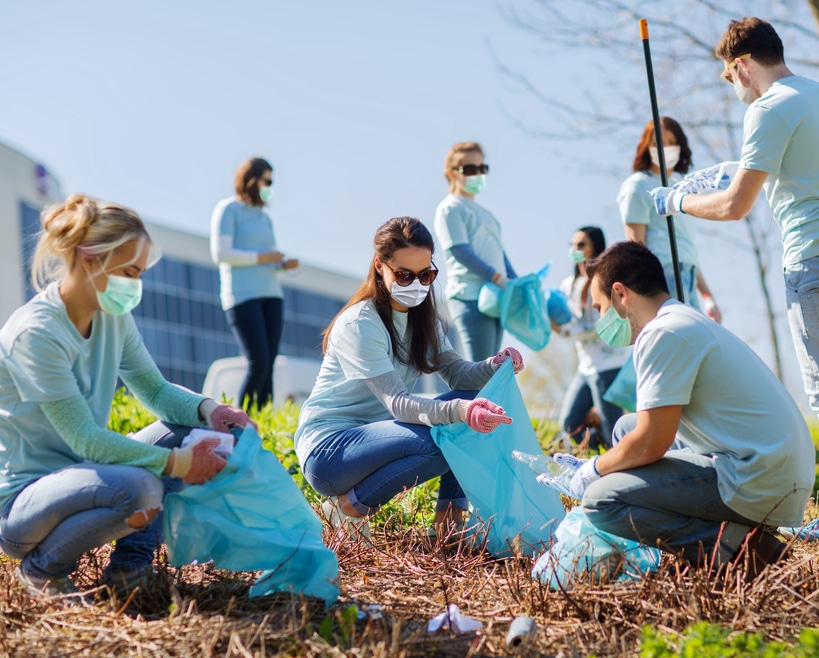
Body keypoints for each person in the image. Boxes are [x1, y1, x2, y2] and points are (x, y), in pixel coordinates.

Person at [651, 17, 819, 541]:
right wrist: (733, 165)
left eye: (728, 78)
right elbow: (802, 163)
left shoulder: (766, 108)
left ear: (741, 66)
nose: (732, 89)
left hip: (816, 261)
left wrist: (678, 201)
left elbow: (735, 208)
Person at [0, 195, 255, 601]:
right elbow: (84, 438)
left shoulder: (113, 315)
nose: (134, 286)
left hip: (88, 473)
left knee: (194, 431)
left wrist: (212, 410)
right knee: (141, 488)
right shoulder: (36, 332)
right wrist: (180, 463)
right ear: (88, 258)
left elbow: (153, 390)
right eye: (128, 272)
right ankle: (42, 571)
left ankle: (128, 573)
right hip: (25, 502)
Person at [546, 241, 814, 577]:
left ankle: (742, 549)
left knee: (602, 500)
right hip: (773, 467)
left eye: (599, 308)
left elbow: (651, 443)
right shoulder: (682, 320)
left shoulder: (663, 334)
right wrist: (606, 464)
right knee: (625, 429)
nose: (600, 320)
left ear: (620, 294)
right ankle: (730, 534)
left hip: (759, 478)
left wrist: (593, 470)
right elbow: (644, 433)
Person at [294, 216, 523, 539]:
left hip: (379, 440)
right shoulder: (361, 323)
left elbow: (458, 374)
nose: (416, 284)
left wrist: (493, 365)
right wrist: (458, 413)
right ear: (379, 266)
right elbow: (399, 404)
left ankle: (448, 524)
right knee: (445, 437)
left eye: (426, 274)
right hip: (330, 453)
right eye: (403, 275)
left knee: (471, 405)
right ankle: (348, 507)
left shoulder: (423, 321)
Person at [210, 157, 299, 410]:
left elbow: (268, 257)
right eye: (267, 181)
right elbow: (221, 254)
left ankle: (263, 422)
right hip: (242, 296)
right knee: (258, 362)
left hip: (271, 294)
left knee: (268, 363)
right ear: (252, 180)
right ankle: (242, 422)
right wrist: (263, 257)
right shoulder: (228, 210)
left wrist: (281, 263)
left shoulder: (264, 218)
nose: (270, 186)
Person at [617, 118, 721, 321]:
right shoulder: (638, 186)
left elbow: (686, 248)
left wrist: (707, 295)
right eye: (657, 143)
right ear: (646, 147)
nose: (666, 148)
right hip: (663, 275)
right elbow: (636, 248)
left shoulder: (683, 188)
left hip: (687, 274)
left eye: (672, 142)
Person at [434, 142, 518, 361]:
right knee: (480, 371)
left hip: (496, 297)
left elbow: (500, 254)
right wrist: (496, 276)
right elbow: (459, 250)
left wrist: (516, 282)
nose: (478, 174)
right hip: (469, 296)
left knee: (492, 370)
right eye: (470, 169)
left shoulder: (487, 213)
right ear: (452, 173)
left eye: (482, 168)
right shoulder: (450, 208)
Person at [554, 226, 629, 450]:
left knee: (613, 427)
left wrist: (569, 331)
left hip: (608, 365)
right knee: (569, 424)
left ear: (595, 247)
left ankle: (623, 465)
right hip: (585, 367)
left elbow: (603, 323)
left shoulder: (605, 281)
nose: (575, 249)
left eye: (581, 245)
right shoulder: (569, 284)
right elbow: (567, 318)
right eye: (573, 245)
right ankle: (603, 456)